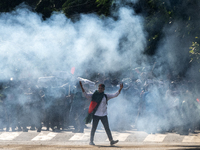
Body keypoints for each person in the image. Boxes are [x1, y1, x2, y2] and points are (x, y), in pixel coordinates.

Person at [79, 81, 123, 146]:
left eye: (101, 88)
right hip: (96, 114)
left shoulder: (105, 96)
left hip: (104, 115)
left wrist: (120, 89)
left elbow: (115, 95)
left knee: (107, 128)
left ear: (104, 89)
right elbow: (86, 95)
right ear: (98, 88)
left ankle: (111, 141)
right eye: (99, 88)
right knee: (94, 128)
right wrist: (82, 87)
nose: (100, 89)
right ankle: (91, 141)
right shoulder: (94, 95)